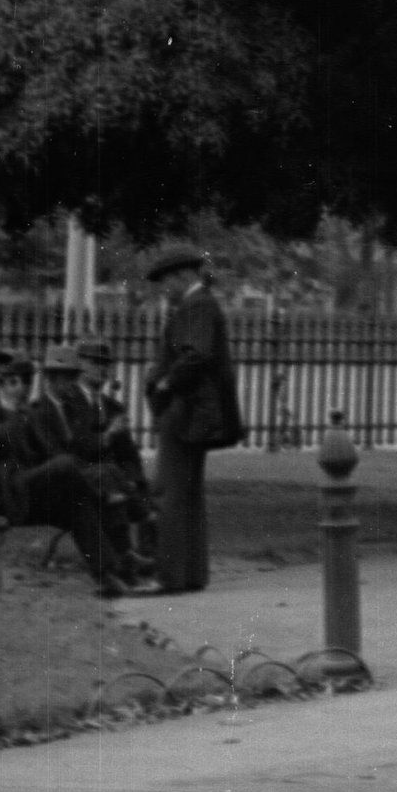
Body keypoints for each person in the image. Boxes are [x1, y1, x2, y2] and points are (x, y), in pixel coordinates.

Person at [0, 331, 139, 594]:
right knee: (66, 465)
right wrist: (11, 406)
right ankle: (107, 497)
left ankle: (109, 574)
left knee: (73, 501)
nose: (2, 371)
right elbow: (3, 441)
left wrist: (14, 412)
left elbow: (15, 447)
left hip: (5, 488)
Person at [143, 242, 246, 593]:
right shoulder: (201, 304)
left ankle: (169, 576)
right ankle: (190, 574)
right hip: (193, 411)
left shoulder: (196, 304)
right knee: (187, 493)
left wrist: (166, 383)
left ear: (183, 275)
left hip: (184, 410)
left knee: (170, 492)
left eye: (166, 281)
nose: (164, 289)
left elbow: (197, 354)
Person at [76, 335, 156, 568]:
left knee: (144, 490)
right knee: (112, 487)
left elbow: (129, 455)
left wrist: (133, 479)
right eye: (95, 362)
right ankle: (125, 557)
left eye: (106, 363)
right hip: (83, 477)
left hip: (112, 480)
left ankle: (150, 558)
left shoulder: (113, 407)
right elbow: (77, 447)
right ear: (80, 364)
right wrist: (109, 434)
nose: (102, 369)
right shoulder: (70, 402)